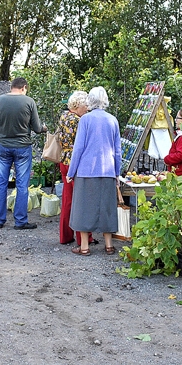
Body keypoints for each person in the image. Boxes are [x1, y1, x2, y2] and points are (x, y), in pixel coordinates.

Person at [67, 87, 121, 255]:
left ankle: (84, 247)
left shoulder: (85, 120)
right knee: (107, 208)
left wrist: (71, 171)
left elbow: (78, 148)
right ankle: (109, 245)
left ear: (90, 100)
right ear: (105, 100)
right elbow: (117, 151)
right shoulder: (113, 120)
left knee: (84, 208)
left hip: (86, 170)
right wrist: (117, 173)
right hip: (107, 170)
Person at [0, 77, 46, 230]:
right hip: (22, 147)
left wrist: (4, 130)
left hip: (3, 146)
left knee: (0, 183)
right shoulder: (29, 102)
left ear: (11, 86)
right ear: (24, 87)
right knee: (22, 184)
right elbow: (37, 128)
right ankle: (20, 221)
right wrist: (44, 128)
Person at [57, 90, 89, 245]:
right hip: (75, 162)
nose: (87, 108)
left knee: (67, 200)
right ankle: (83, 238)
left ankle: (65, 236)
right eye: (85, 105)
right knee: (81, 200)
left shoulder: (64, 116)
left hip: (64, 160)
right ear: (78, 105)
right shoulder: (79, 120)